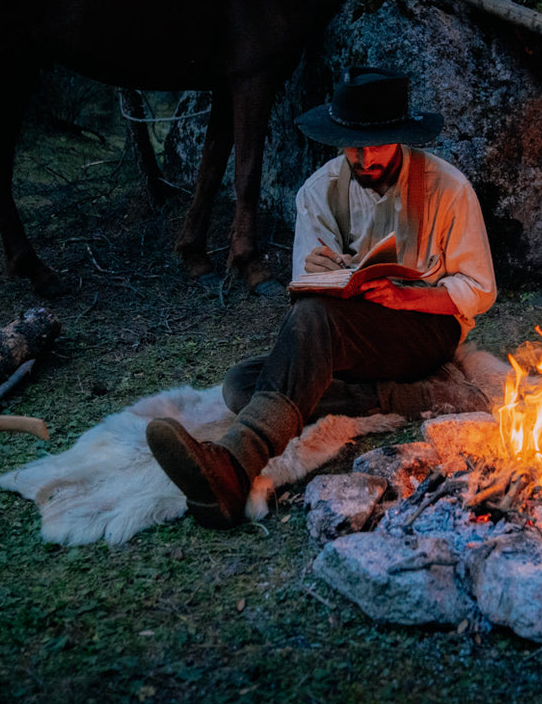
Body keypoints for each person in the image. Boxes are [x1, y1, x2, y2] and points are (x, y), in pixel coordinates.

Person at [146, 67, 497, 528]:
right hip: (348, 334)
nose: (363, 157)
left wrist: (403, 297)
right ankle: (404, 396)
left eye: (375, 145)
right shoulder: (318, 190)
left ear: (400, 138)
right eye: (351, 144)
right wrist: (340, 284)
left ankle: (234, 464)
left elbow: (479, 289)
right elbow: (305, 287)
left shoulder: (448, 189)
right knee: (240, 385)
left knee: (313, 325)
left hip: (424, 329)